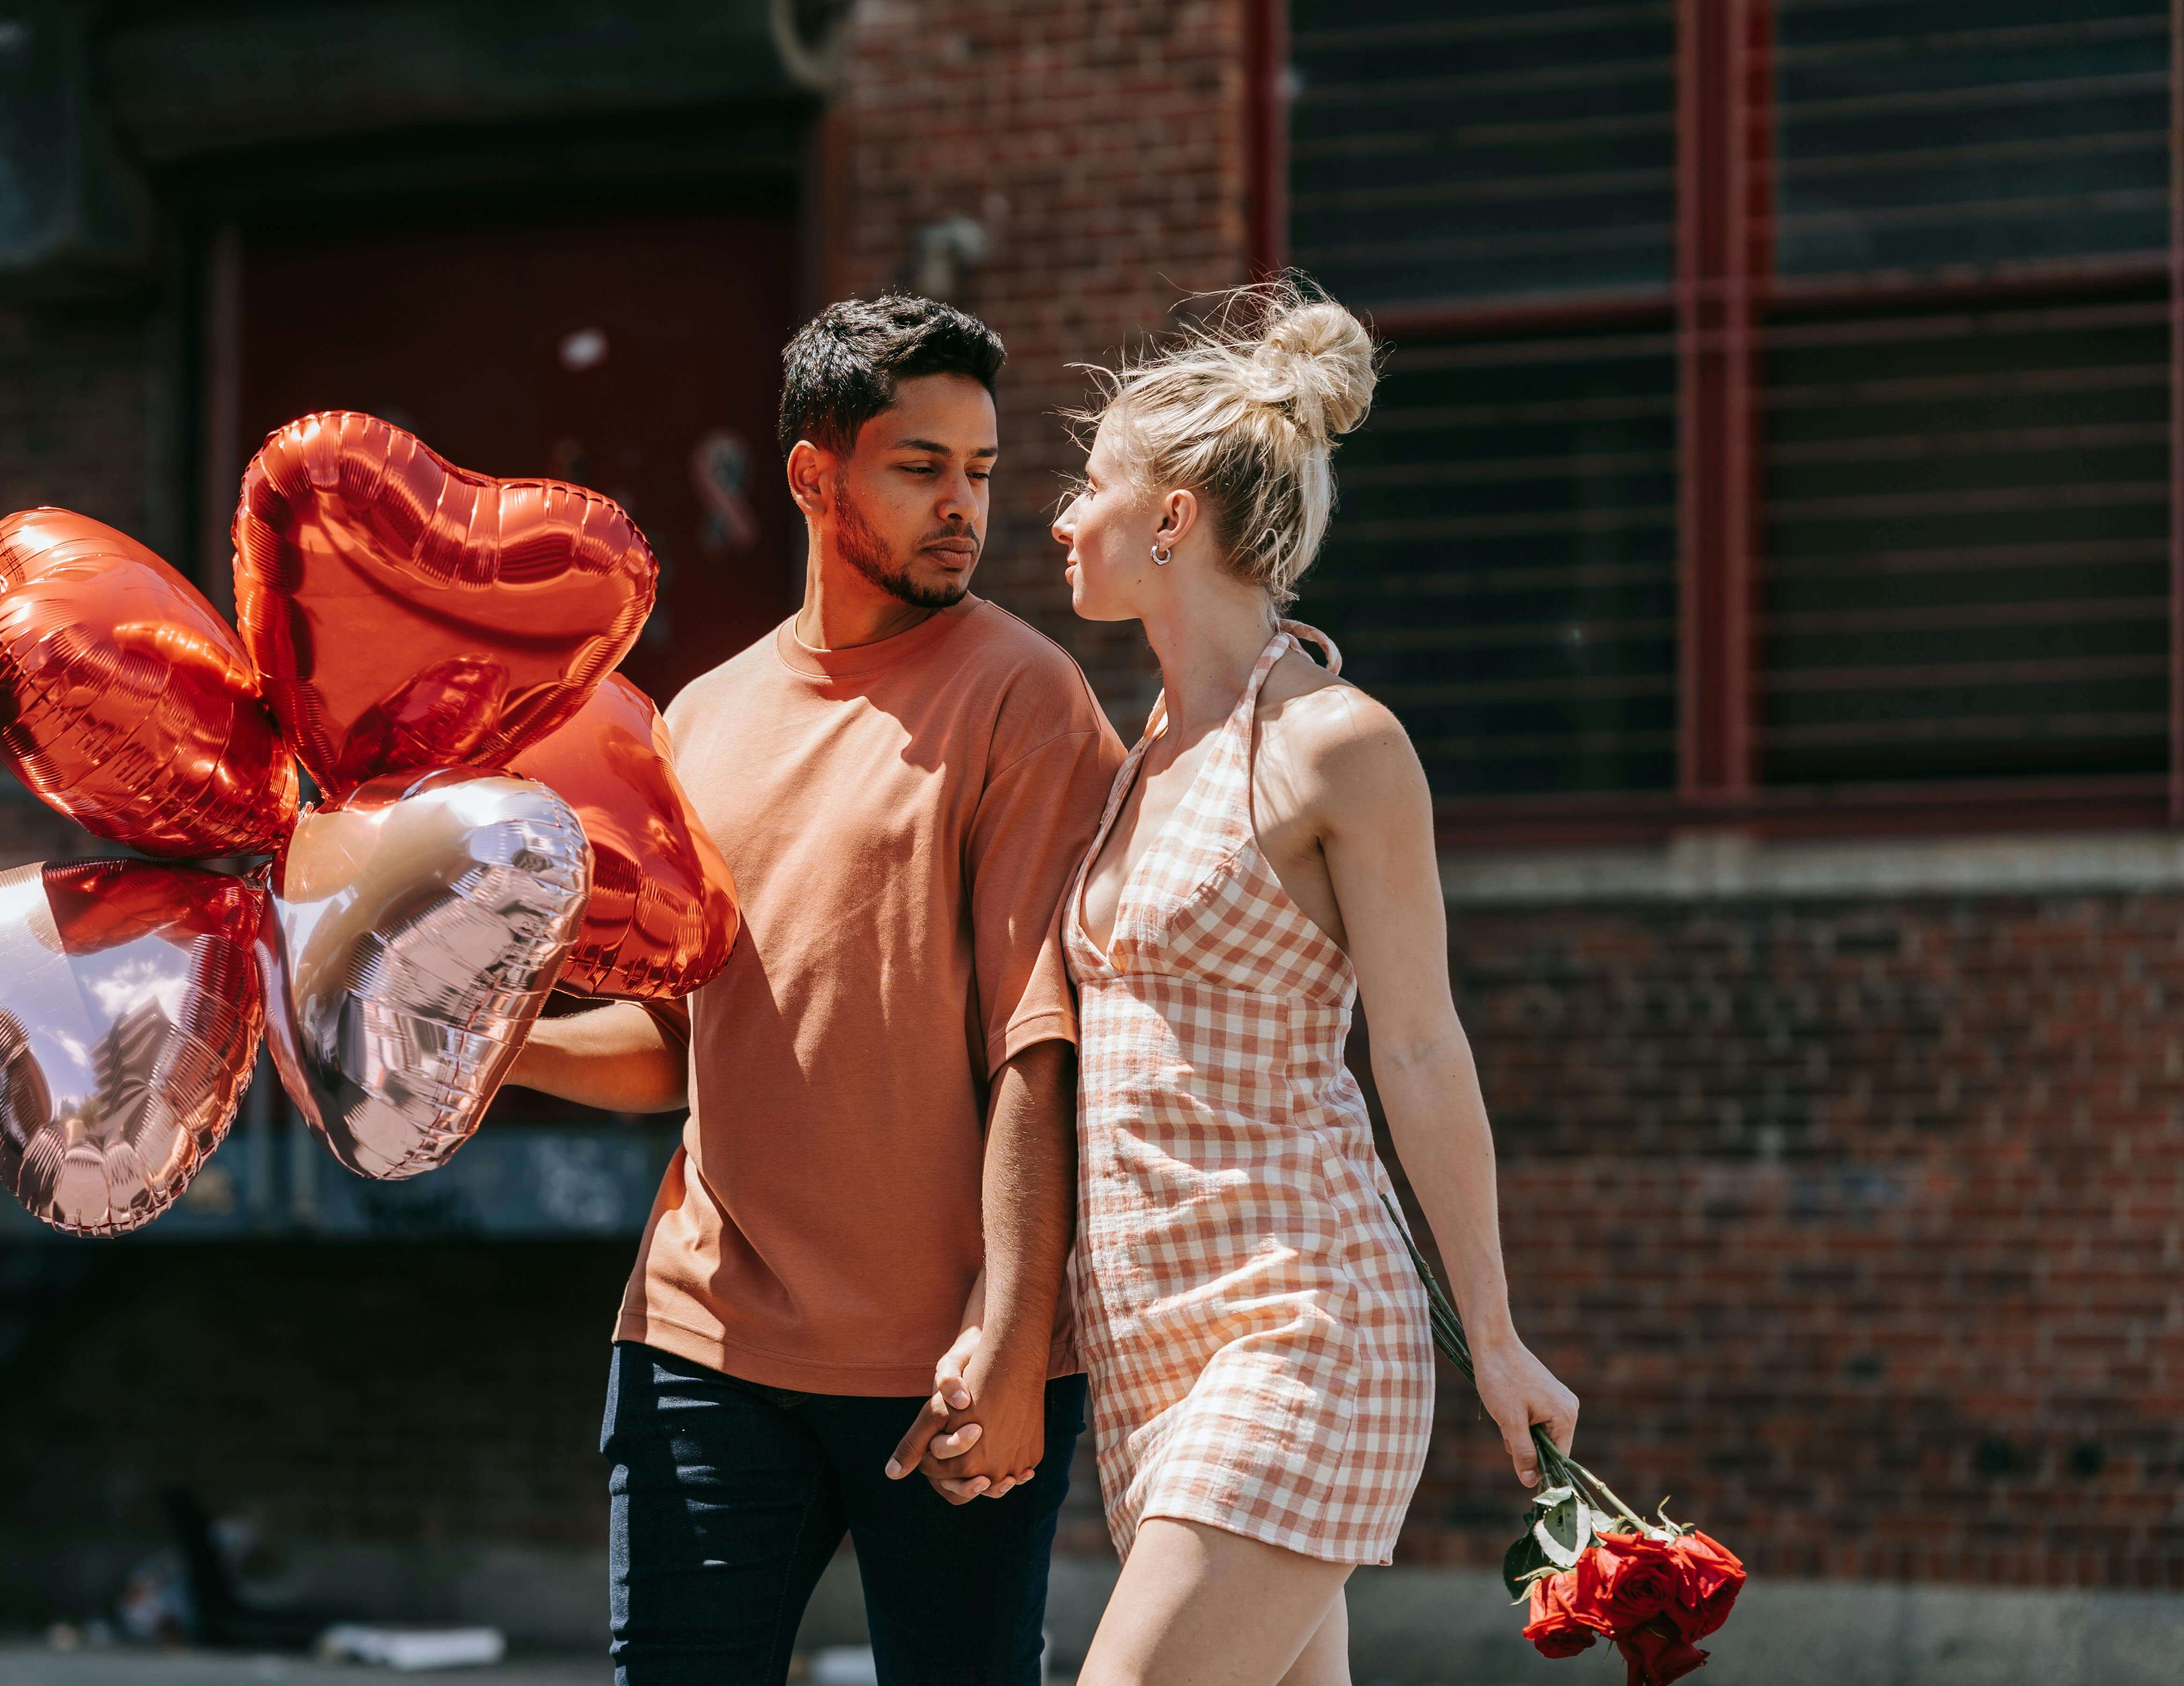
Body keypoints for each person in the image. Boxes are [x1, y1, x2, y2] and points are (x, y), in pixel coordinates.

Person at [509, 292, 1125, 1686]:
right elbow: (678, 1039)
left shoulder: (1026, 701)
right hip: (708, 1342)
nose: (963, 507)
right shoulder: (701, 719)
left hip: (955, 1369)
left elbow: (1043, 1043)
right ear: (813, 474)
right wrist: (508, 1053)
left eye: (980, 470)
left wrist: (1019, 1337)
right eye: (921, 469)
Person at [1045, 283, 1579, 1686]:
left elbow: (1416, 1049)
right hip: (1152, 1341)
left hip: (1301, 1324)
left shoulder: (1337, 744)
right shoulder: (1139, 756)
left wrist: (1501, 1338)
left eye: (1088, 487)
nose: (1059, 519)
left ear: (1170, 519)